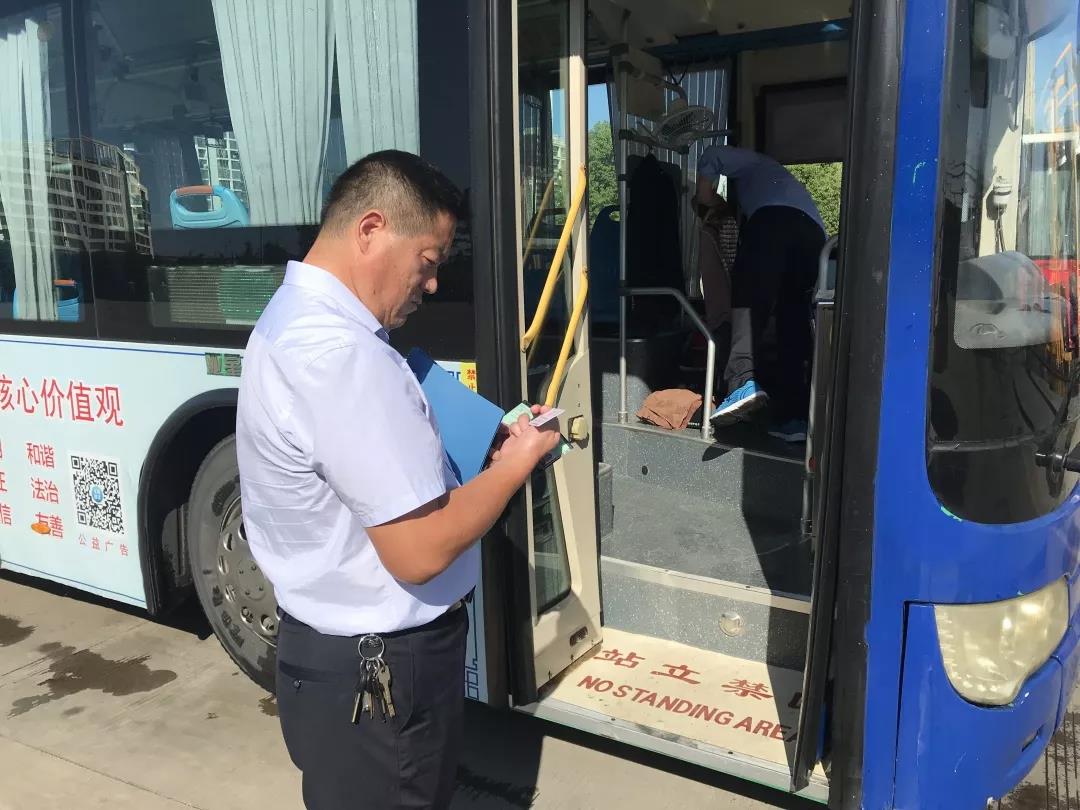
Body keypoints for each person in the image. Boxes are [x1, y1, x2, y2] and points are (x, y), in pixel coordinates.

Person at [235, 150, 560, 809]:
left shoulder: (297, 320)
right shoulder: (343, 356)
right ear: (371, 230)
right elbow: (419, 550)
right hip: (380, 676)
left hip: (336, 663)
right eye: (429, 261)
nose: (432, 284)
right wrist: (517, 464)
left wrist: (480, 451)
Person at [694, 145, 827, 442]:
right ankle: (793, 418)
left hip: (774, 223)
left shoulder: (755, 164)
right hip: (814, 238)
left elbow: (712, 154)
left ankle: (742, 382)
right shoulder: (782, 186)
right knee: (793, 320)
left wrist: (706, 197)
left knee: (747, 303)